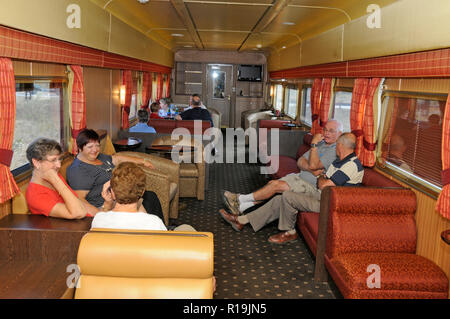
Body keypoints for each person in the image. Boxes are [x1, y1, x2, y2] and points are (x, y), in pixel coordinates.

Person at [218, 133, 364, 244]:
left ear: (340, 146)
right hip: (321, 195)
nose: (336, 148)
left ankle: (289, 232)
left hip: (329, 204)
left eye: (337, 144)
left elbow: (324, 184)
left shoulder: (351, 165)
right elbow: (321, 178)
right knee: (280, 197)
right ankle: (242, 220)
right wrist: (322, 178)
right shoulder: (340, 162)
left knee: (287, 195)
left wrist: (322, 179)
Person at [223, 119, 343, 215]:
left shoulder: (334, 150)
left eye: (331, 131)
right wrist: (311, 169)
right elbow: (300, 161)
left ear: (339, 134)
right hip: (300, 176)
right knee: (272, 184)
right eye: (325, 130)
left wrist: (313, 145)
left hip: (310, 186)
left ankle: (239, 199)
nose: (326, 133)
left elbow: (312, 164)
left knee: (275, 186)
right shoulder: (321, 144)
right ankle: (242, 207)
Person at [66, 129, 164, 220]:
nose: (95, 150)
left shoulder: (98, 157)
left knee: (150, 196)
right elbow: (79, 199)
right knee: (148, 201)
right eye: (90, 147)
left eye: (97, 145)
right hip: (107, 206)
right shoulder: (78, 170)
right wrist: (101, 216)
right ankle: (154, 232)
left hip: (120, 197)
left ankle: (158, 231)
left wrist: (143, 161)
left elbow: (117, 159)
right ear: (79, 148)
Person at [91, 161, 195, 232]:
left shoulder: (99, 220)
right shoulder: (153, 223)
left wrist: (107, 204)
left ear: (111, 192)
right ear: (142, 192)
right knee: (187, 228)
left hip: (112, 263)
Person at [25, 138, 108, 219]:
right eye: (53, 160)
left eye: (59, 159)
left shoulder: (53, 175)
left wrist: (101, 216)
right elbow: (79, 213)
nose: (59, 165)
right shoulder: (36, 196)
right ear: (36, 162)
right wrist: (56, 181)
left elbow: (79, 201)